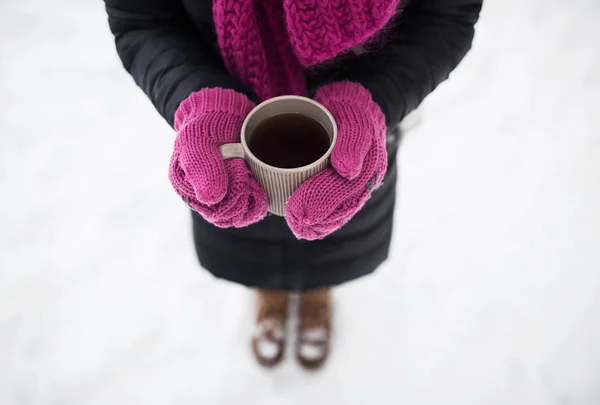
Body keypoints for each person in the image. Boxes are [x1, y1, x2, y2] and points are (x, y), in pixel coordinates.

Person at [104, 0, 482, 369]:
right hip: (226, 144)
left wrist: (374, 99)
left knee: (335, 231)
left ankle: (318, 294)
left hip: (354, 138)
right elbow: (141, 18)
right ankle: (269, 295)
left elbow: (447, 13)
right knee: (240, 227)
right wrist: (196, 97)